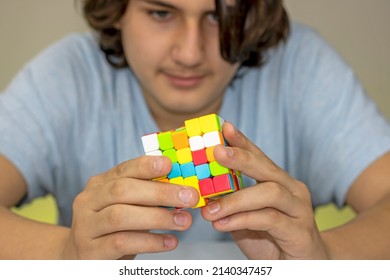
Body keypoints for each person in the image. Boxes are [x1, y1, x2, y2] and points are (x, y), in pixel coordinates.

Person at [0, 0, 389, 260]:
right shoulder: (67, 74)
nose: (189, 53)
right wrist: (65, 254)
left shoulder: (301, 66)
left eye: (219, 15)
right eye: (160, 13)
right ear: (117, 9)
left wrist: (325, 257)